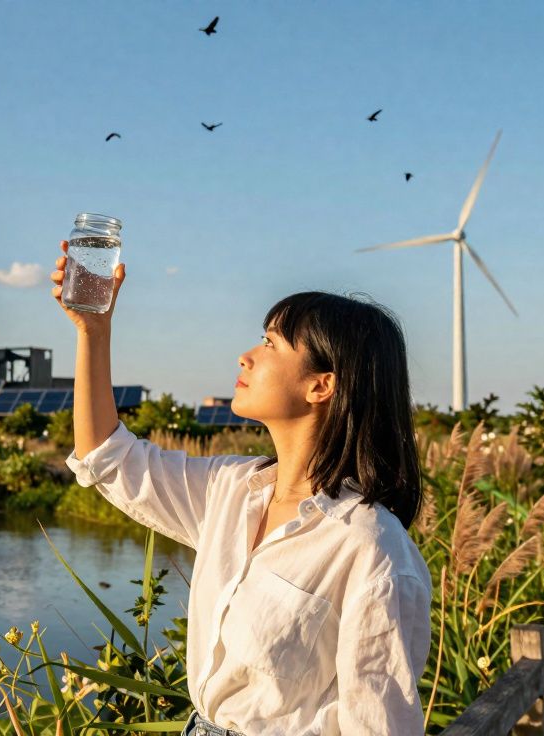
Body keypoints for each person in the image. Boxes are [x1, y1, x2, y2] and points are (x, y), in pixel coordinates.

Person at [51, 240, 433, 735]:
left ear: (323, 385)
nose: (247, 356)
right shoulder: (231, 489)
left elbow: (380, 725)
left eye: (271, 344)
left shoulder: (371, 548)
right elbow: (108, 456)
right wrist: (93, 332)